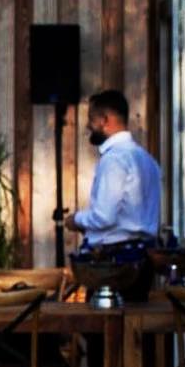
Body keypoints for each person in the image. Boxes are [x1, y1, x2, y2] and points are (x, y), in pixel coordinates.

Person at [64, 89, 161, 248]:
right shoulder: (148, 160)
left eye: (91, 119)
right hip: (146, 253)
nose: (88, 125)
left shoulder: (114, 159)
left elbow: (104, 217)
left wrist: (76, 219)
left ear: (104, 120)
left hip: (116, 258)